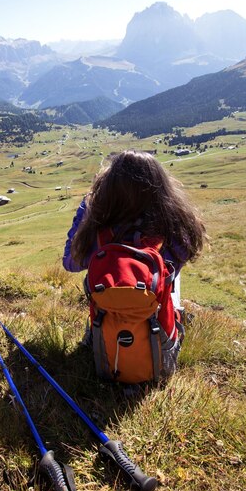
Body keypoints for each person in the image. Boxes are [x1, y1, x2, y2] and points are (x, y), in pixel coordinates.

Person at [62, 150, 207, 374]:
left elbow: (70, 263)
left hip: (104, 342)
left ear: (108, 189)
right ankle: (174, 316)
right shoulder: (172, 227)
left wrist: (86, 211)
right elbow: (183, 258)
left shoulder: (99, 229)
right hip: (161, 343)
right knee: (166, 276)